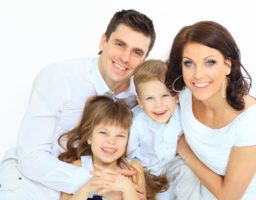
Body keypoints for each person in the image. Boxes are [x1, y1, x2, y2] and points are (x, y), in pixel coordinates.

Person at [0, 9, 155, 200]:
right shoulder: (58, 78)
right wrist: (101, 183)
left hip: (96, 187)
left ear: (144, 60)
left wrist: (126, 185)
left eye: (137, 52)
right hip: (34, 180)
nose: (125, 57)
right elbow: (30, 159)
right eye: (120, 44)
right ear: (103, 41)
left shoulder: (140, 96)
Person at [165, 21, 256, 199]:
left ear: (228, 65)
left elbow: (229, 196)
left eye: (210, 62)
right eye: (189, 63)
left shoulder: (251, 120)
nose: (198, 75)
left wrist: (185, 152)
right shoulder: (184, 95)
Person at [128, 59, 201, 200]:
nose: (158, 105)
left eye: (165, 95)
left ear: (176, 97)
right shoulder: (137, 123)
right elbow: (129, 155)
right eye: (149, 98)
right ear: (140, 101)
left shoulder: (181, 114)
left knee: (188, 171)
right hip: (146, 171)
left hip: (171, 165)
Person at [58, 95, 145, 200]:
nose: (112, 141)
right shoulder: (77, 167)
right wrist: (86, 188)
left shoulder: (133, 169)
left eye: (120, 135)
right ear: (89, 137)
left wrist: (127, 188)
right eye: (103, 133)